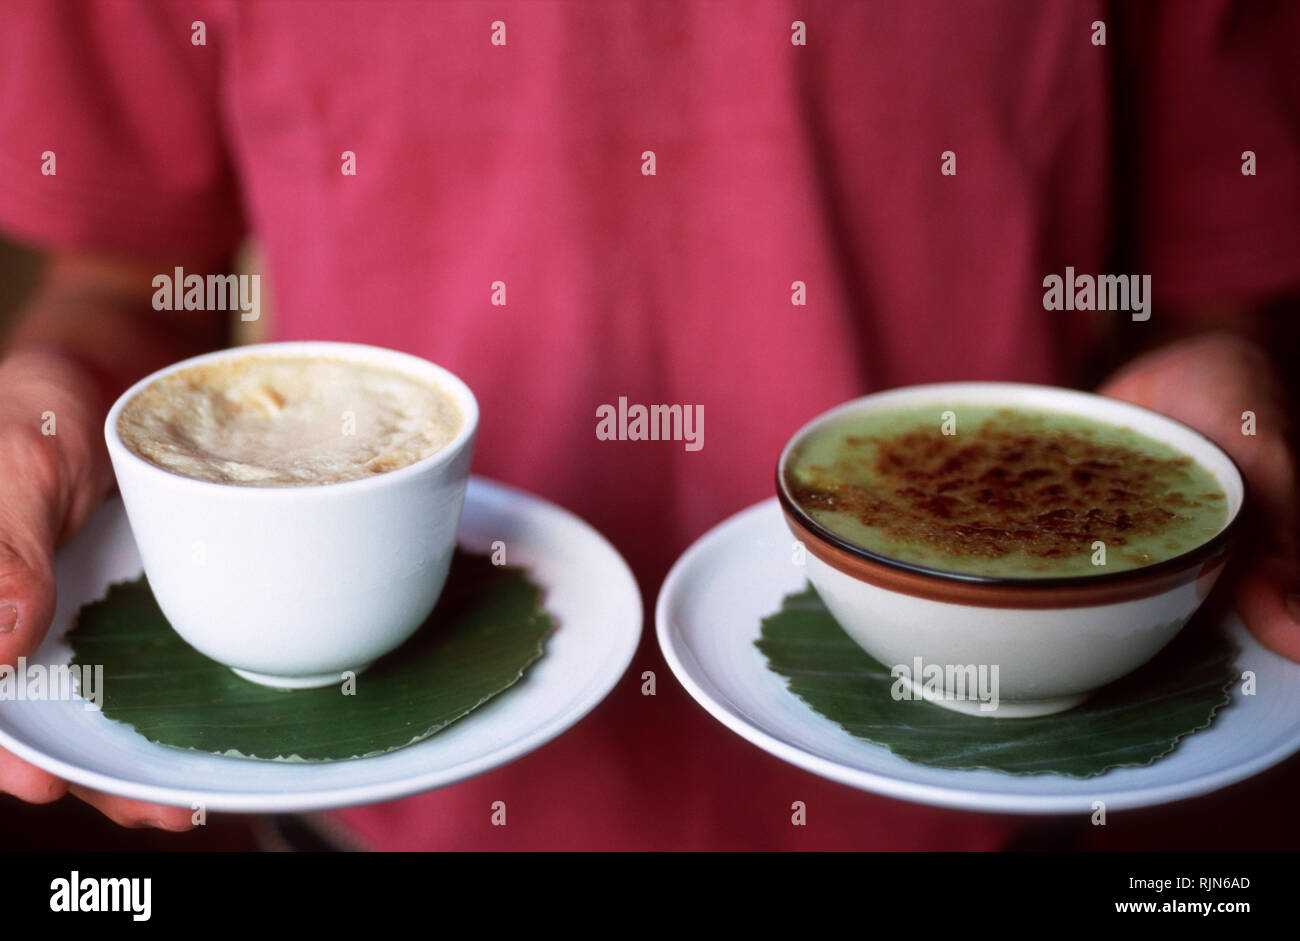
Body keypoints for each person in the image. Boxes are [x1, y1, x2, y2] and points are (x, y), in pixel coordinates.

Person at [0, 0, 1296, 850]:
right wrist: (47, 403)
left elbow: (1203, 287)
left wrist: (1227, 400)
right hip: (367, 803)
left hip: (1022, 793)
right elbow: (126, 276)